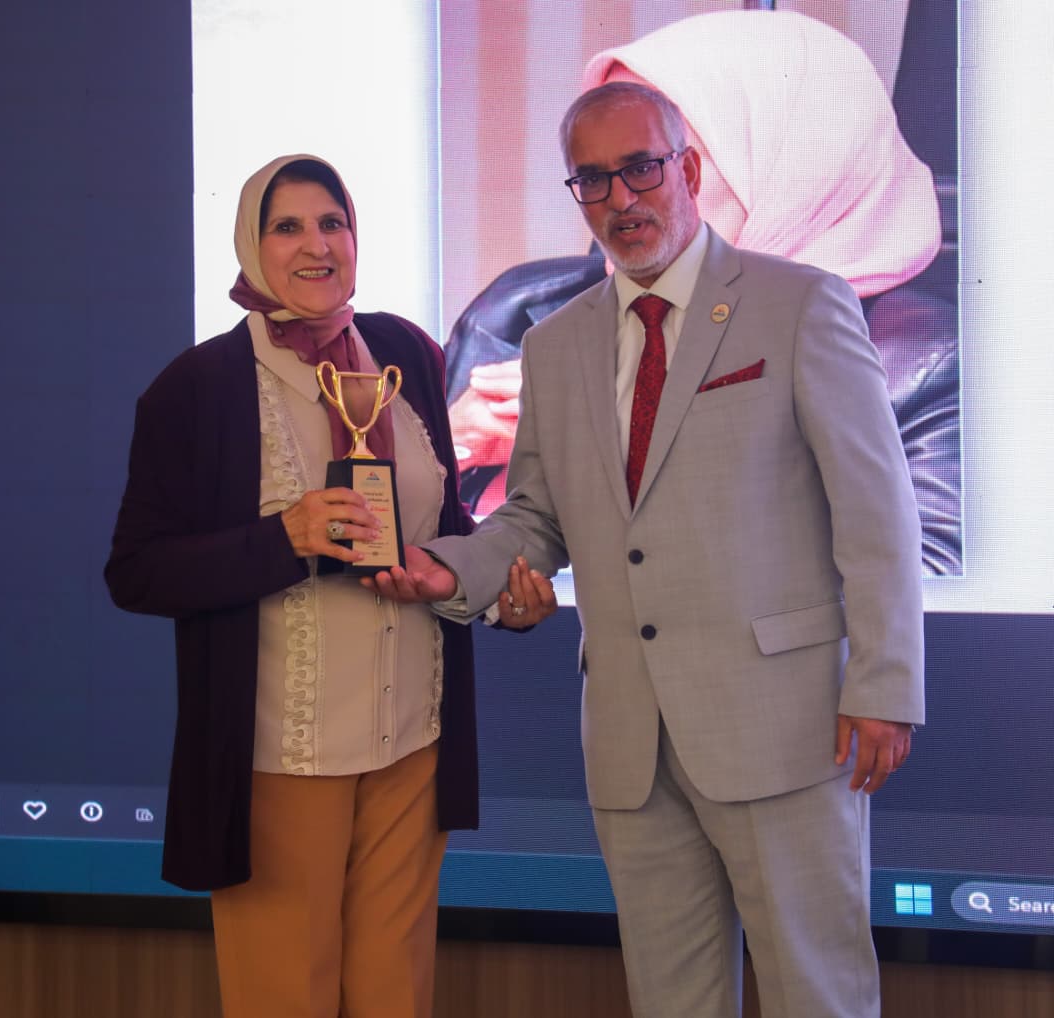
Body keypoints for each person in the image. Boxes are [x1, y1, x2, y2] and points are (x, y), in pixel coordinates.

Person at [367, 83, 925, 1018]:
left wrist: (885, 684)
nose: (621, 198)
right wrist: (451, 569)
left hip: (787, 727)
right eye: (593, 180)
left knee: (817, 996)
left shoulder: (800, 305)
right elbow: (536, 516)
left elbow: (877, 513)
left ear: (689, 170)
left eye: (641, 169)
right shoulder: (553, 344)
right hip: (631, 740)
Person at [104, 153, 553, 1018]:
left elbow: (447, 523)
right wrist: (287, 537)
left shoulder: (406, 354)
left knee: (396, 998)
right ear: (251, 244)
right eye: (287, 227)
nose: (316, 246)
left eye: (332, 223)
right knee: (284, 999)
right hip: (282, 759)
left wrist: (496, 595)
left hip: (412, 744)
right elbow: (138, 571)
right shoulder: (196, 388)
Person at [446, 9, 961, 575]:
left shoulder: (921, 365)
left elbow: (932, 585)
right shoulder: (521, 314)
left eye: (648, 163)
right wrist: (448, 448)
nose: (620, 200)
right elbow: (404, 557)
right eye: (599, 170)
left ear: (792, 161)